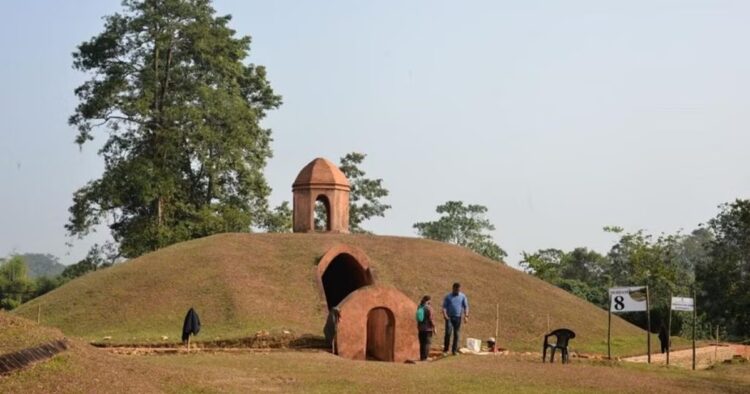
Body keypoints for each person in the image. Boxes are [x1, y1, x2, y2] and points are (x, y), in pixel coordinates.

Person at [442, 282, 469, 355]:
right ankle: (446, 350)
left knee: (456, 334)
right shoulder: (448, 297)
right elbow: (444, 307)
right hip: (449, 317)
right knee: (448, 333)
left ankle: (454, 350)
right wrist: (445, 315)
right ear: (453, 288)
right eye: (456, 289)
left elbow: (466, 306)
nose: (458, 291)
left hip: (458, 317)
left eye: (459, 289)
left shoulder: (462, 296)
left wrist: (466, 316)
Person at [417, 295, 436, 361]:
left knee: (422, 343)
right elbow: (431, 319)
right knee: (427, 343)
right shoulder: (429, 308)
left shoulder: (419, 307)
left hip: (420, 329)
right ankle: (425, 357)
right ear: (428, 301)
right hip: (428, 329)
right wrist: (434, 327)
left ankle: (422, 357)